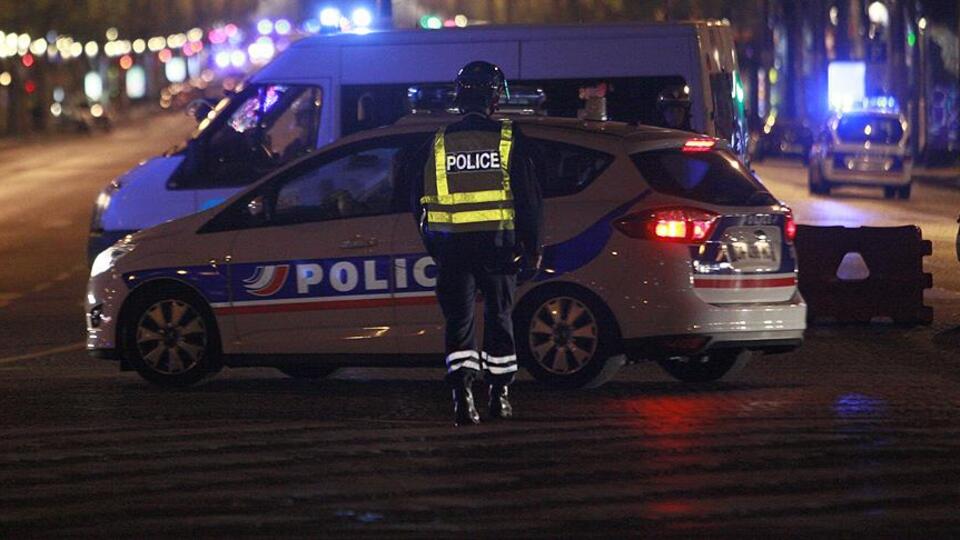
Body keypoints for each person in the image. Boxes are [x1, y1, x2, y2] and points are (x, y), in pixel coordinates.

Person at [411, 61, 543, 426]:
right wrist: (532, 246)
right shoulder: (508, 138)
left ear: (459, 97)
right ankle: (500, 396)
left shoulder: (437, 141)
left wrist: (435, 245)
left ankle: (462, 397)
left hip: (453, 250)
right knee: (499, 319)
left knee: (459, 322)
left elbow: (417, 201)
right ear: (494, 98)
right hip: (499, 248)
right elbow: (528, 199)